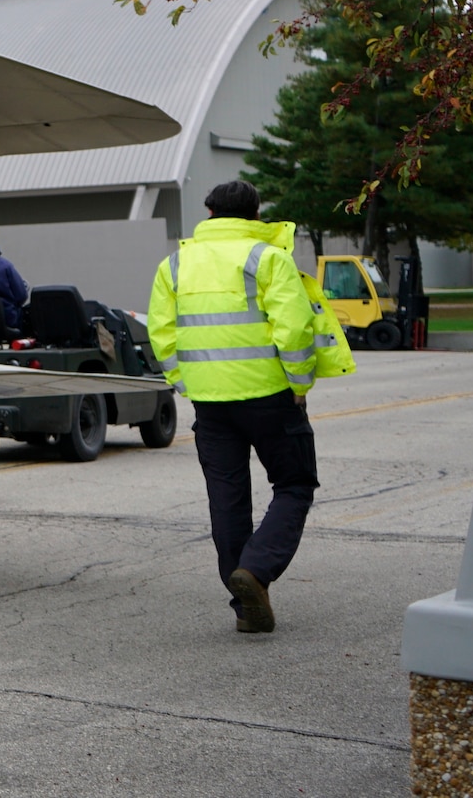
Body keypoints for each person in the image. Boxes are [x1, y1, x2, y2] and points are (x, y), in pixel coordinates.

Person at [147, 180, 344, 635]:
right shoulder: (268, 258)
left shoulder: (175, 264)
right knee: (294, 484)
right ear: (257, 214)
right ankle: (255, 572)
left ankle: (244, 605)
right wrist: (298, 383)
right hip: (270, 396)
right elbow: (293, 329)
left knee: (227, 499)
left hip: (211, 404)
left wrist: (186, 382)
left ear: (209, 211)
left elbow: (162, 333)